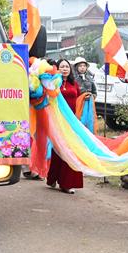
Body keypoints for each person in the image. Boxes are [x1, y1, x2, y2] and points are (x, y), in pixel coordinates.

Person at [46, 58, 84, 194]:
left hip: (71, 122)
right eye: (62, 66)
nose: (64, 69)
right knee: (58, 150)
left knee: (70, 149)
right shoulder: (53, 83)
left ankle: (66, 183)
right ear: (57, 69)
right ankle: (53, 178)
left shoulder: (74, 84)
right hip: (58, 121)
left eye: (67, 66)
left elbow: (79, 99)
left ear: (70, 69)